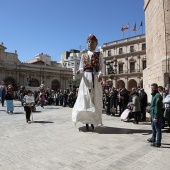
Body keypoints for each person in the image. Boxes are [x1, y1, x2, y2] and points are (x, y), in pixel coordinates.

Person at [72, 34, 103, 130]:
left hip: (94, 78)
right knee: (85, 99)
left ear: (96, 43)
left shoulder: (99, 54)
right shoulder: (83, 55)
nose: (90, 43)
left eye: (92, 42)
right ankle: (86, 121)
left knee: (94, 99)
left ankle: (93, 121)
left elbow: (101, 67)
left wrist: (100, 74)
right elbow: (82, 66)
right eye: (88, 42)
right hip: (86, 78)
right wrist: (79, 71)